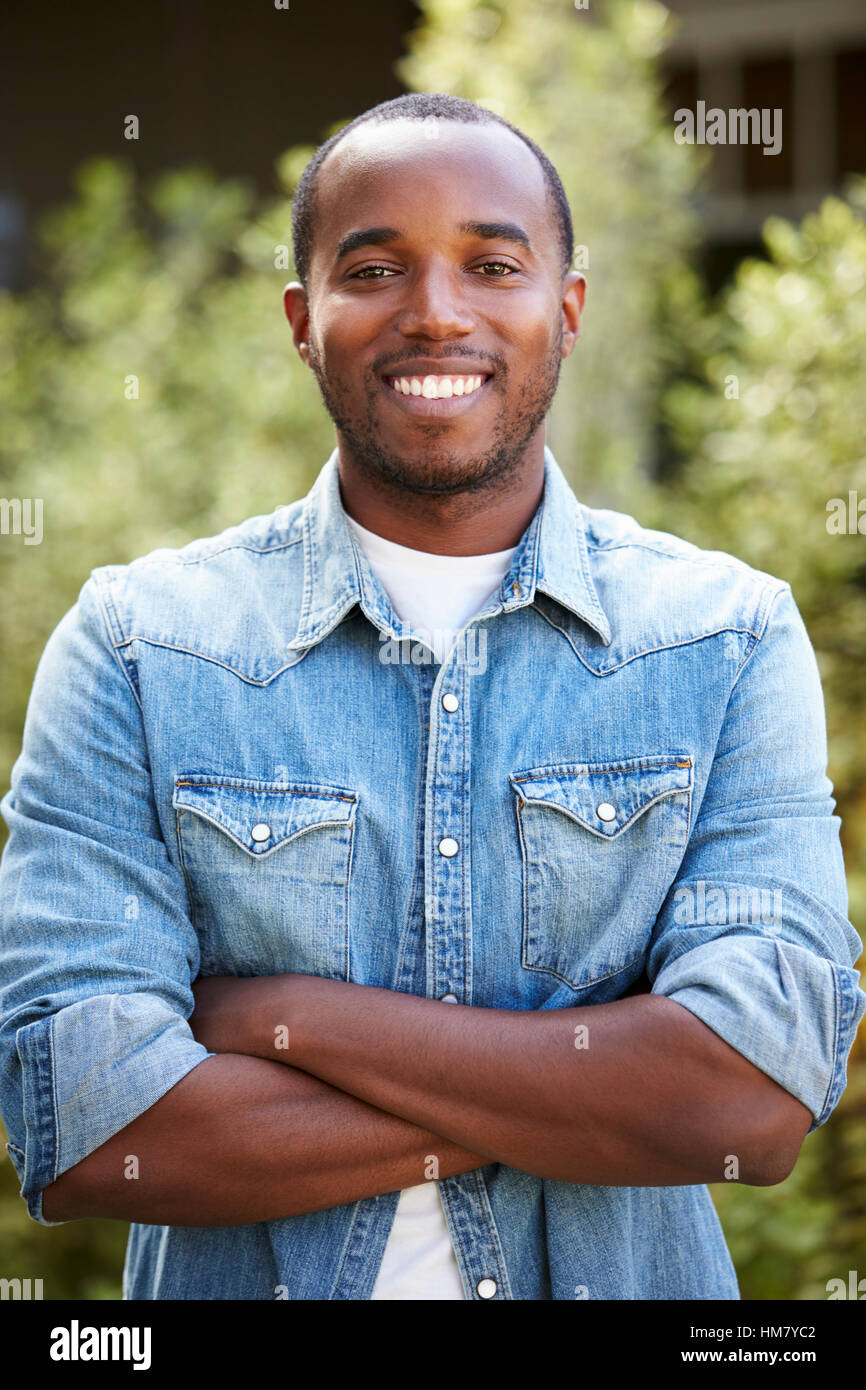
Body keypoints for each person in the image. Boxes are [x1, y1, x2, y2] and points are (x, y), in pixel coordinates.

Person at [0, 93, 863, 1302]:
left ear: (565, 311)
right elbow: (91, 1123)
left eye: (492, 263)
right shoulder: (141, 645)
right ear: (304, 321)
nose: (436, 312)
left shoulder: (719, 637)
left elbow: (744, 1102)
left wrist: (286, 1016)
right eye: (374, 269)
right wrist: (607, 1095)